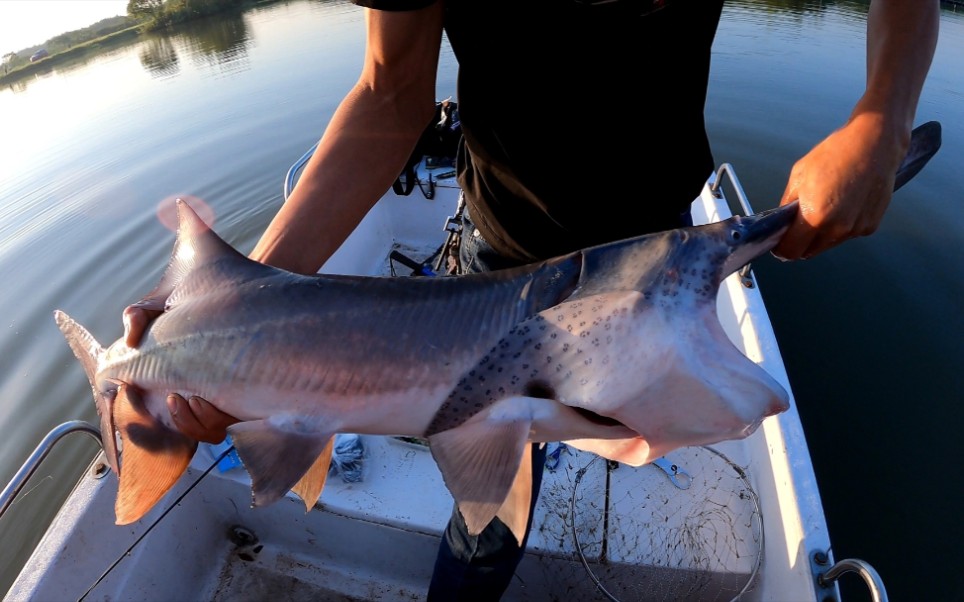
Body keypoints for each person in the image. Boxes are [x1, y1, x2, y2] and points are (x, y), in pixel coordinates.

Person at [123, 1, 938, 599]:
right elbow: (386, 92)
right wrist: (234, 302)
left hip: (653, 249)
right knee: (487, 521)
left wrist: (882, 114)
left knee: (628, 432)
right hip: (497, 262)